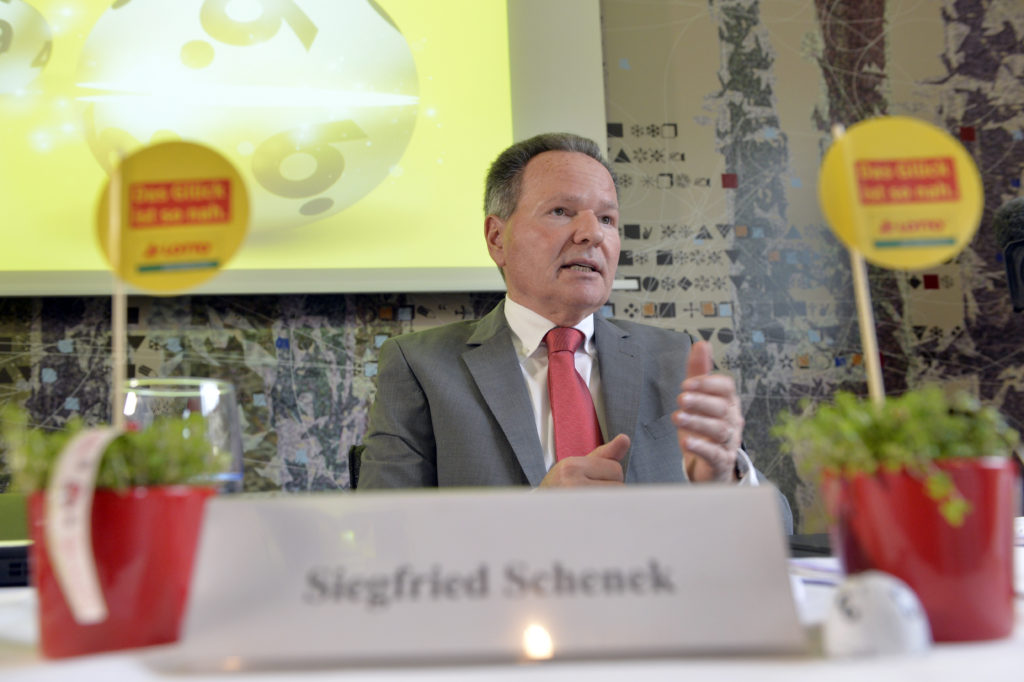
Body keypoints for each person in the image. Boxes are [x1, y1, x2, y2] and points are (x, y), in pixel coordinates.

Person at [359, 133, 790, 527]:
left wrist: (727, 480)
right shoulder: (422, 366)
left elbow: (779, 530)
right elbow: (382, 534)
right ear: (496, 238)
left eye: (607, 219)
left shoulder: (675, 357)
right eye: (561, 212)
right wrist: (531, 518)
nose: (591, 235)